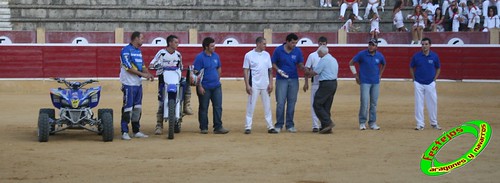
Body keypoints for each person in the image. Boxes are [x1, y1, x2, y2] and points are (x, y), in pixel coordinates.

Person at [149, 35, 193, 135]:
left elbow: (180, 67)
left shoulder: (178, 54)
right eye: (176, 42)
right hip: (163, 79)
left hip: (175, 78)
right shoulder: (162, 53)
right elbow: (152, 64)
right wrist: (155, 66)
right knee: (161, 102)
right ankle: (159, 125)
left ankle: (186, 105)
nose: (178, 44)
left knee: (186, 84)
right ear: (170, 43)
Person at [119, 31, 154, 140]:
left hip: (137, 83)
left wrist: (148, 74)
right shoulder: (125, 51)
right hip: (128, 83)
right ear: (136, 39)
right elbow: (128, 68)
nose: (143, 40)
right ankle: (124, 131)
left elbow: (142, 65)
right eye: (142, 38)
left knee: (137, 108)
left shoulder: (138, 51)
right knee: (127, 108)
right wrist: (143, 74)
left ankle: (136, 130)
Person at [192, 37, 229, 134]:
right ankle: (203, 127)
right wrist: (199, 86)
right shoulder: (200, 58)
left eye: (214, 45)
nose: (214, 47)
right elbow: (196, 73)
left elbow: (219, 68)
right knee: (204, 107)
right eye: (212, 46)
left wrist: (217, 79)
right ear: (206, 47)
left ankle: (218, 127)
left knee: (218, 107)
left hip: (216, 86)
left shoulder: (216, 56)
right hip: (204, 86)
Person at [272, 33, 307, 133]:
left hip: (293, 79)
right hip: (281, 79)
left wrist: (303, 68)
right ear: (287, 41)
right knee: (280, 103)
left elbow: (299, 64)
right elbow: (273, 63)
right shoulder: (278, 50)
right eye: (292, 43)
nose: (294, 45)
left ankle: (290, 124)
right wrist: (279, 70)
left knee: (292, 103)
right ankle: (279, 124)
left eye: (295, 43)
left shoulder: (297, 51)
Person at [243, 37, 278, 134]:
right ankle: (248, 126)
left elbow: (270, 70)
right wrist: (247, 85)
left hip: (265, 84)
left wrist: (271, 83)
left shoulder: (266, 55)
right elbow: (245, 70)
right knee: (251, 105)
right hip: (253, 84)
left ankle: (270, 126)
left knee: (267, 106)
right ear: (258, 44)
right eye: (264, 44)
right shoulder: (249, 55)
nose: (265, 46)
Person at [348, 38, 386, 131]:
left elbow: (383, 64)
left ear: (376, 46)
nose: (370, 46)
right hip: (364, 81)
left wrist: (380, 74)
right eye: (369, 44)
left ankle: (372, 122)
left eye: (372, 45)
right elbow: (351, 63)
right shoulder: (362, 54)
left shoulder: (379, 56)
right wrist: (356, 76)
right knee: (364, 102)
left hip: (375, 82)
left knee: (373, 103)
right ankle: (362, 122)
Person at [410, 37, 442, 131]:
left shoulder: (434, 56)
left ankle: (434, 123)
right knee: (419, 104)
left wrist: (434, 79)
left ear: (430, 45)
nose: (424, 46)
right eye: (423, 44)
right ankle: (420, 124)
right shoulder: (416, 56)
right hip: (418, 82)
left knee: (433, 103)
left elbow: (438, 68)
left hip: (430, 83)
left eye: (426, 44)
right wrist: (414, 78)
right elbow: (411, 67)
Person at [306, 45, 339, 134]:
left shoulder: (324, 60)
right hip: (333, 83)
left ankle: (328, 122)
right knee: (326, 105)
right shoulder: (333, 59)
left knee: (317, 103)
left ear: (322, 53)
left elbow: (315, 72)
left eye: (319, 53)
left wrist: (307, 73)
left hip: (326, 84)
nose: (318, 55)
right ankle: (326, 127)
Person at [303, 36, 328, 133]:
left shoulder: (328, 56)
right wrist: (306, 83)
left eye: (324, 44)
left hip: (325, 84)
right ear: (318, 44)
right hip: (316, 84)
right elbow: (307, 69)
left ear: (326, 44)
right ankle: (315, 125)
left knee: (324, 105)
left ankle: (323, 124)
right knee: (314, 104)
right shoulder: (313, 55)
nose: (322, 45)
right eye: (320, 44)